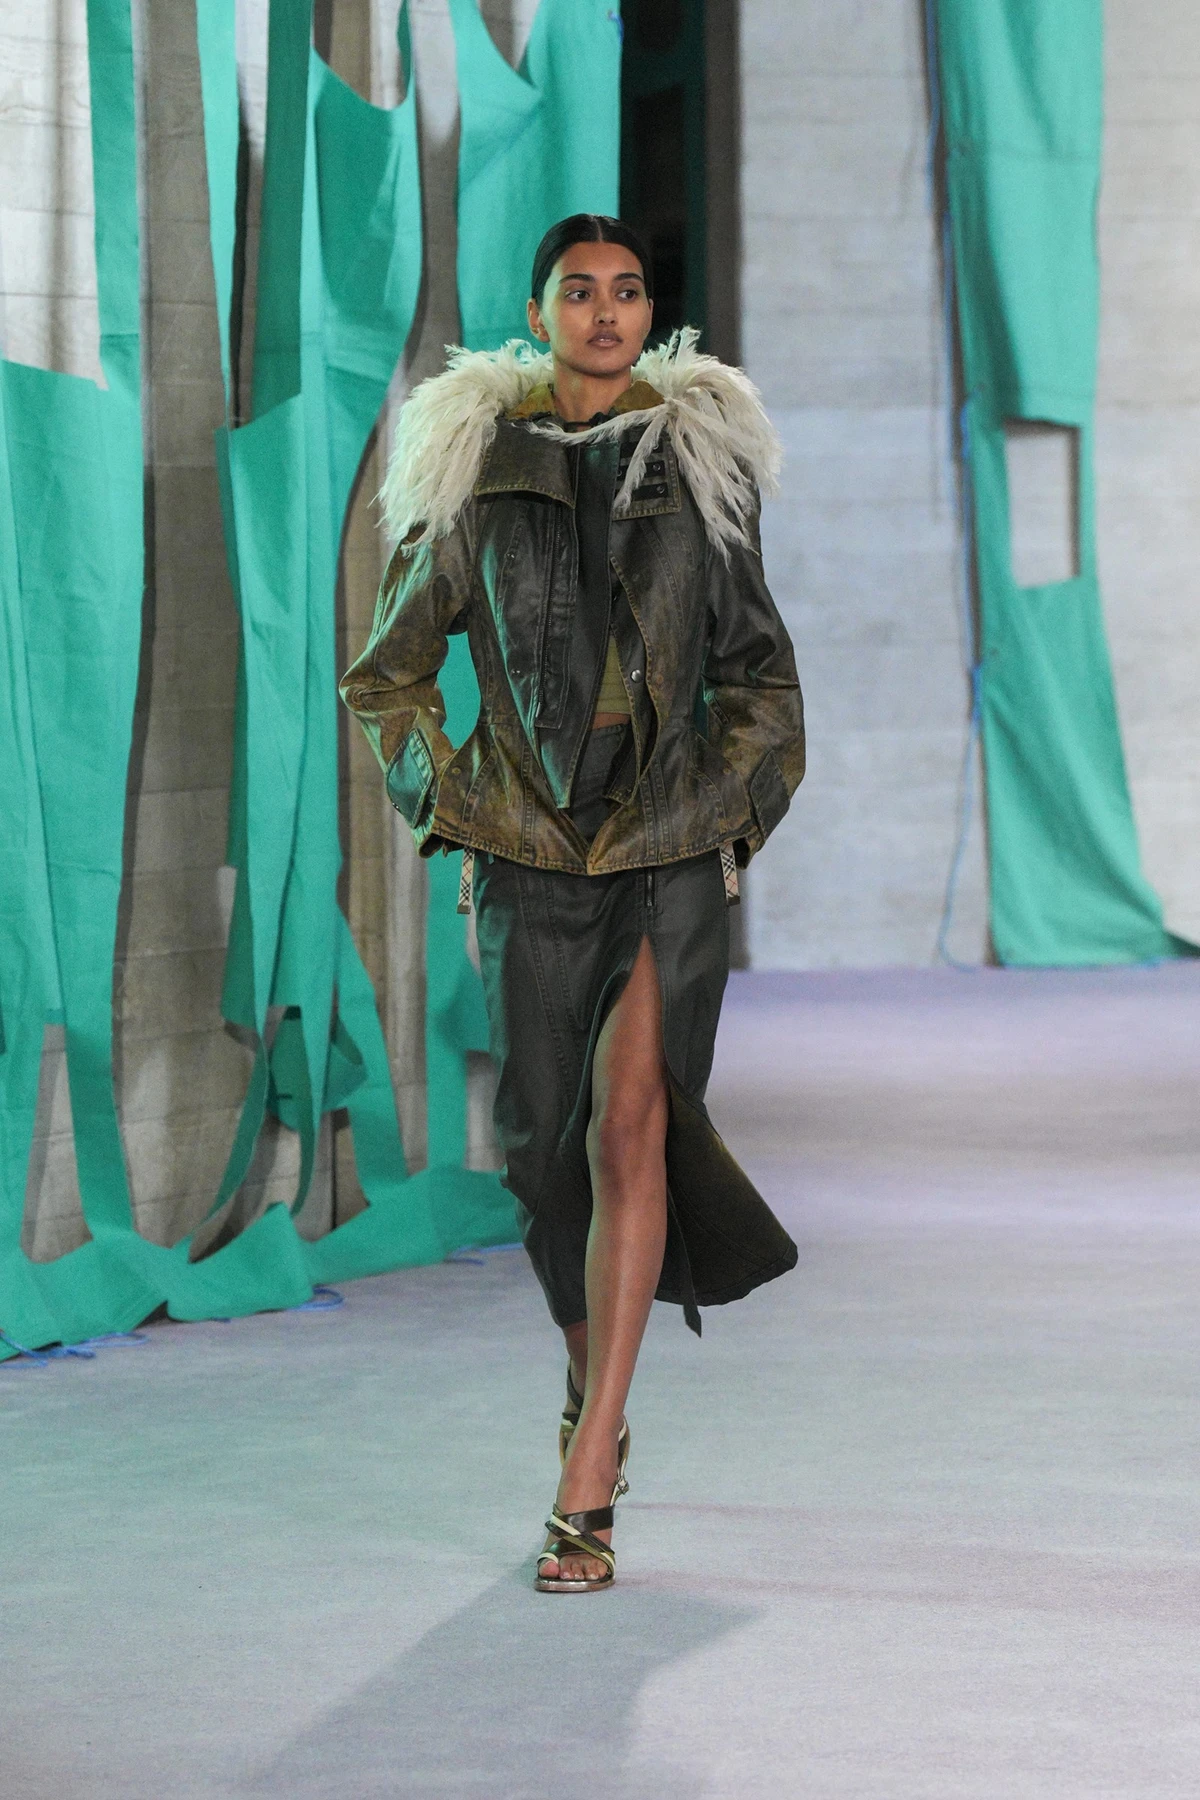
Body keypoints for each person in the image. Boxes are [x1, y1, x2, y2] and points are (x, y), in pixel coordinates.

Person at [341, 214, 805, 1593]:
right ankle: (586, 1381)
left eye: (630, 291)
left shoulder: (701, 470)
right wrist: (452, 799)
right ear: (537, 314)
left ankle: (591, 1466)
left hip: (666, 853)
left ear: (651, 315)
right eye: (579, 291)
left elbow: (760, 676)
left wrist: (726, 809)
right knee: (545, 1159)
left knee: (628, 1128)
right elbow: (389, 676)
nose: (607, 312)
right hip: (528, 858)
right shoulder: (477, 470)